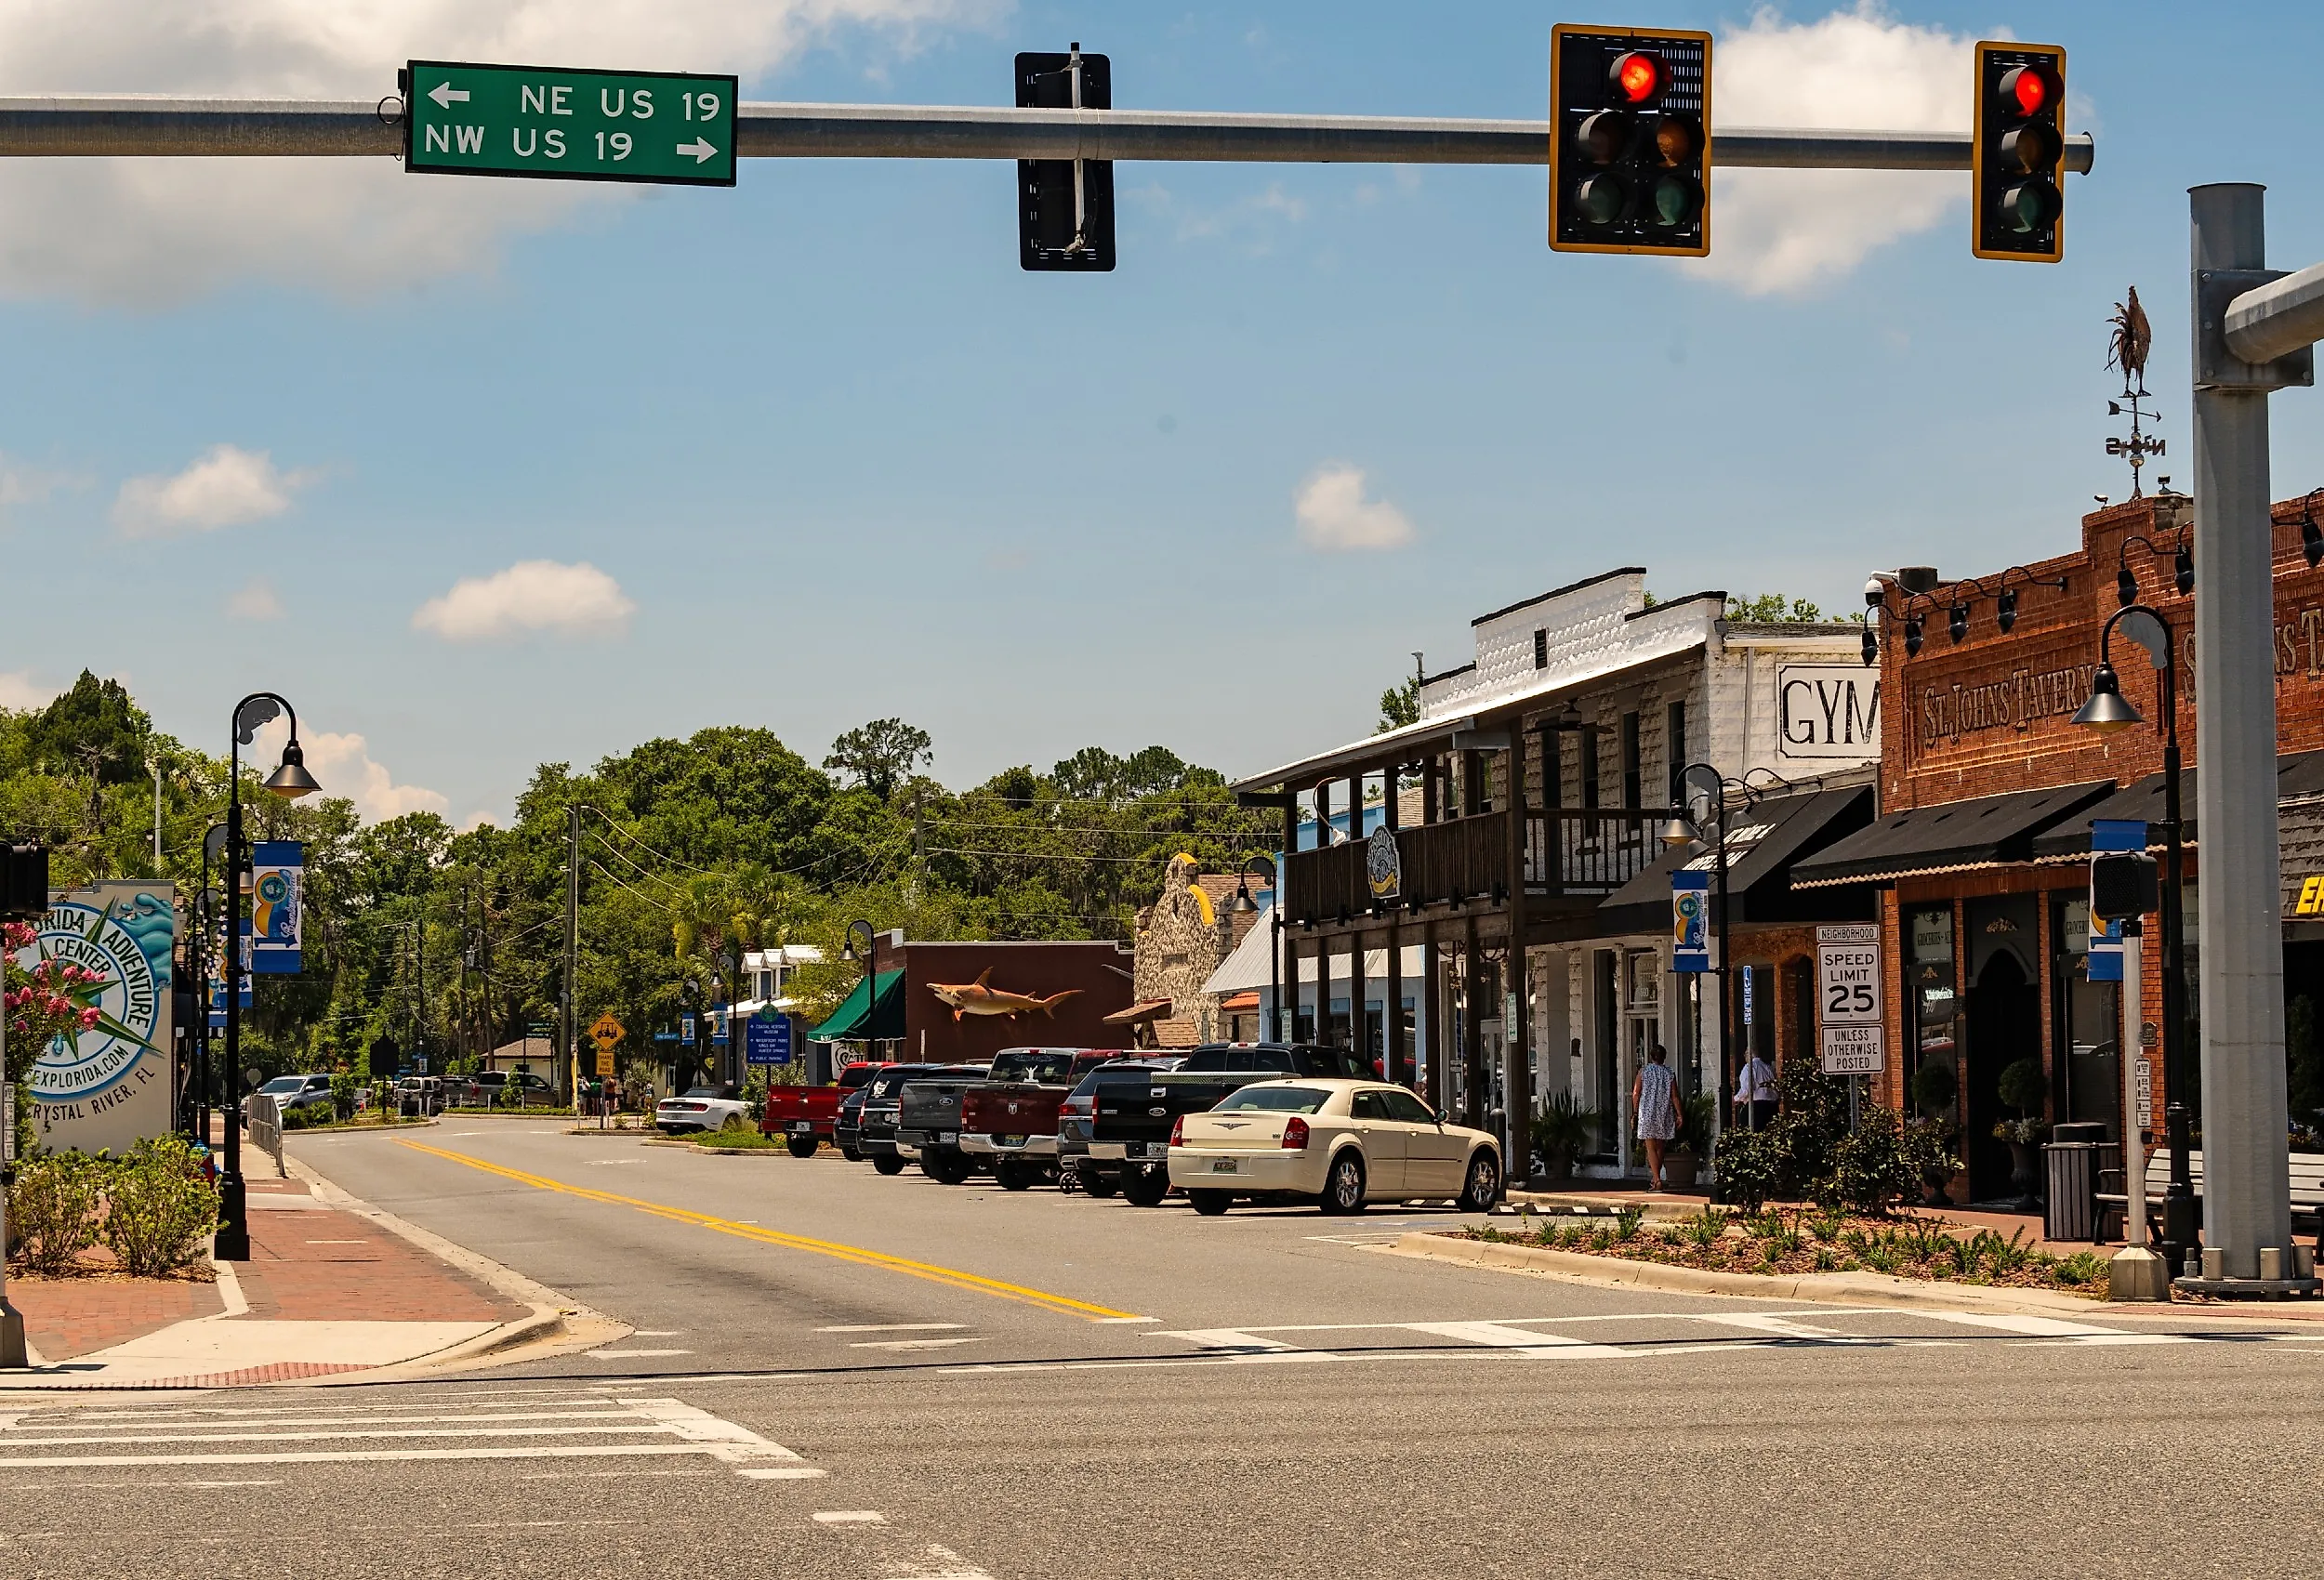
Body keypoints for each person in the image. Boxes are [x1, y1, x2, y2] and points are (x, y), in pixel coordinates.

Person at [1631, 1043, 1681, 1191]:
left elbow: (1636, 1093)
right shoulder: (1669, 1073)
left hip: (1647, 1112)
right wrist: (1679, 1114)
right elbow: (1675, 1096)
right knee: (1660, 1146)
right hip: (1663, 1112)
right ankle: (1655, 1178)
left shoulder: (1644, 1071)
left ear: (1652, 1057)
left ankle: (1657, 1180)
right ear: (1664, 1058)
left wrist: (1635, 1111)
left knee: (1650, 1146)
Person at [1736, 1047, 1778, 1132]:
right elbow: (1775, 1090)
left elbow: (1747, 1089)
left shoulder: (1748, 1068)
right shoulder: (1768, 1068)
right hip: (1770, 1107)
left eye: (1746, 1053)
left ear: (1750, 1054)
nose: (1745, 1056)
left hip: (1755, 1107)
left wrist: (1737, 1098)